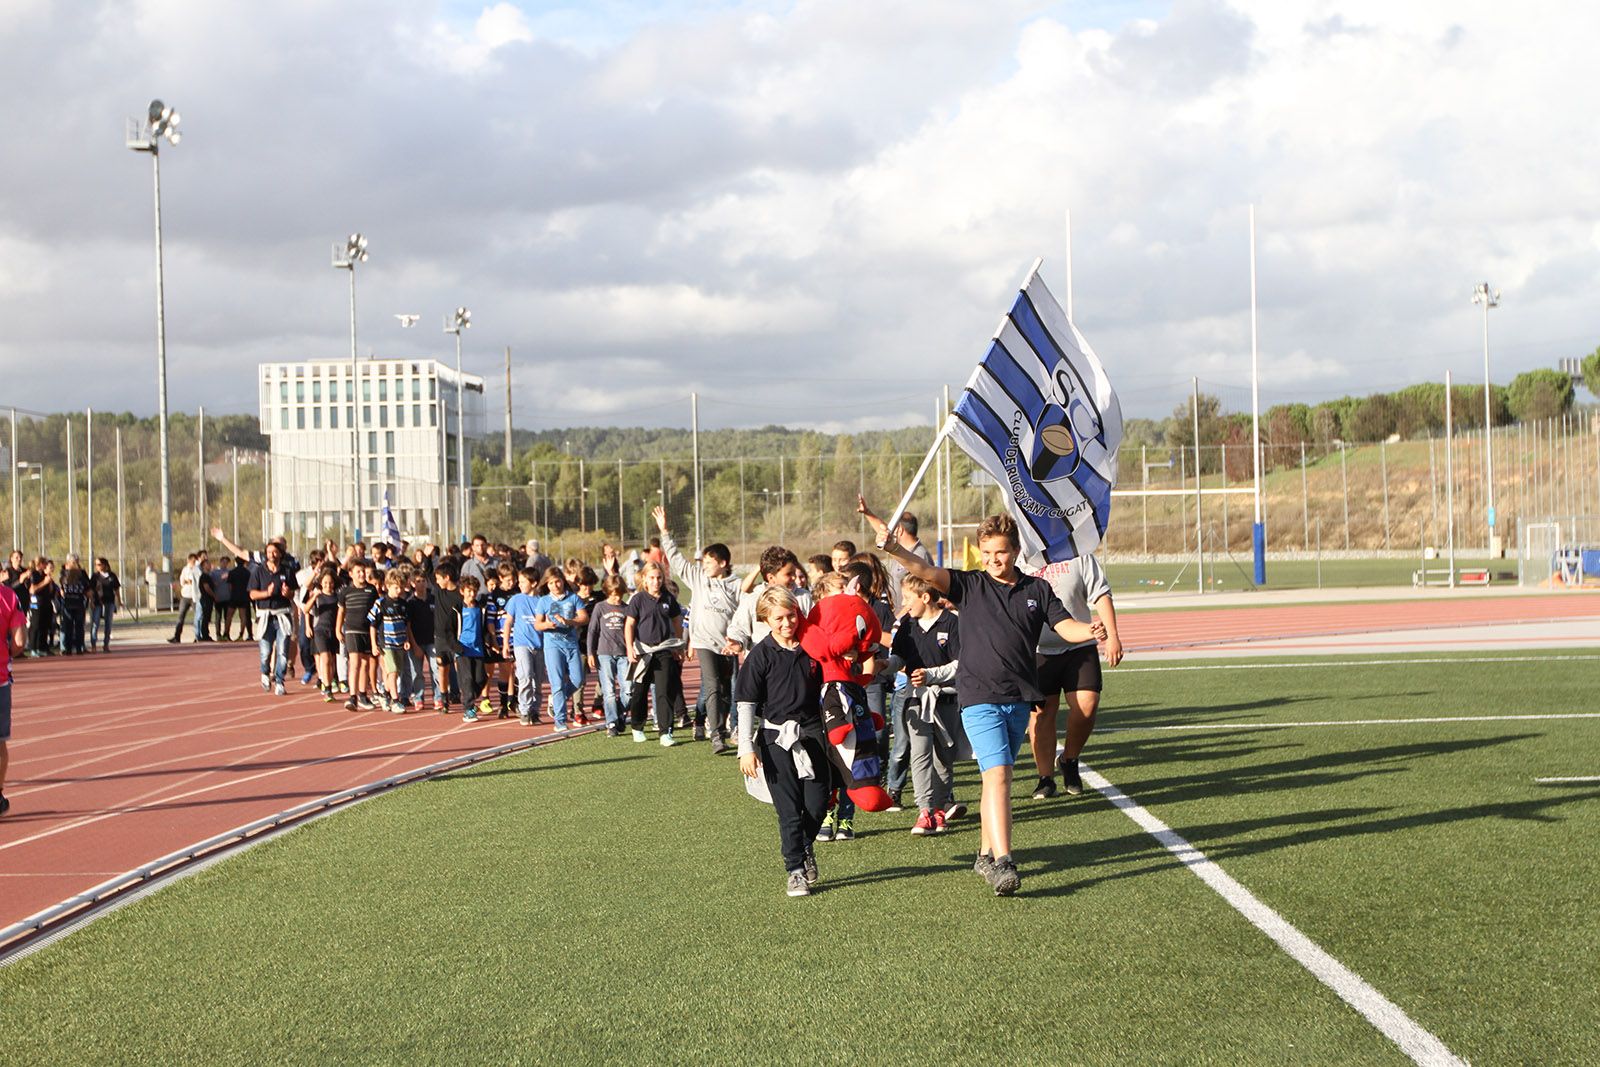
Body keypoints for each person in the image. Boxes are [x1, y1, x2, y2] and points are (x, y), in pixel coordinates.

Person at [862, 497, 1105, 897]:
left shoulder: (1036, 589)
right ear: (981, 552)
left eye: (1003, 551)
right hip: (977, 695)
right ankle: (1004, 862)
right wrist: (895, 550)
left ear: (1016, 551)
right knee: (999, 776)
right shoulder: (969, 585)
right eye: (988, 552)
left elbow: (1065, 627)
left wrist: (1090, 631)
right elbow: (924, 570)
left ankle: (984, 853)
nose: (995, 559)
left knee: (999, 773)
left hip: (1019, 696)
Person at [736, 585, 826, 897]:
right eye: (779, 618)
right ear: (765, 619)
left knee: (817, 803)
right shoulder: (761, 654)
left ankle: (804, 847)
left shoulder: (812, 646)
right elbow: (746, 702)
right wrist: (746, 748)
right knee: (788, 808)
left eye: (791, 615)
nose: (787, 623)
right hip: (775, 737)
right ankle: (795, 870)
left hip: (813, 732)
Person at [1029, 556, 1124, 799]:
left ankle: (1069, 759)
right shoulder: (1022, 553)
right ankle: (1045, 778)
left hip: (1079, 644)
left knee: (1087, 706)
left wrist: (1112, 635)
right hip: (1038, 650)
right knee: (1042, 713)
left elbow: (1101, 593)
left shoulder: (1078, 552)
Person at [653, 506, 741, 752]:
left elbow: (745, 611)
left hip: (728, 645)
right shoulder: (698, 578)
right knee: (712, 685)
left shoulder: (735, 585)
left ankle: (720, 726)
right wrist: (664, 531)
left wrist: (740, 640)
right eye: (704, 562)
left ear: (723, 563)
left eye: (710, 562)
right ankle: (716, 736)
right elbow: (677, 559)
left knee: (726, 688)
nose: (705, 565)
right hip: (704, 643)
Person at [889, 574, 966, 835]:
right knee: (919, 753)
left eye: (908, 598)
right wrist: (882, 667)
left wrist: (932, 675)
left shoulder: (951, 622)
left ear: (925, 597)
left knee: (944, 758)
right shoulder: (906, 625)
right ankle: (925, 811)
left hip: (946, 698)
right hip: (916, 699)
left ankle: (940, 809)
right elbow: (897, 658)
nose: (904, 603)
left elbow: (960, 663)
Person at [624, 561, 685, 746]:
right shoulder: (638, 599)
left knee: (664, 690)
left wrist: (678, 646)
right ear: (644, 579)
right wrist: (629, 648)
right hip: (643, 651)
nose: (656, 581)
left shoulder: (668, 599)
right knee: (640, 691)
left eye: (659, 578)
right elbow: (630, 625)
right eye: (652, 578)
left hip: (664, 650)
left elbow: (677, 622)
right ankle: (637, 726)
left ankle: (665, 732)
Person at [724, 547, 813, 659]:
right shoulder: (753, 600)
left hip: (797, 660)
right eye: (789, 574)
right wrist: (737, 642)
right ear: (771, 577)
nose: (794, 578)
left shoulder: (804, 597)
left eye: (794, 573)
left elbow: (814, 626)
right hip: (765, 662)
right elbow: (739, 628)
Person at [536, 566, 589, 729]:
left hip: (571, 644)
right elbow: (537, 624)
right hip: (552, 646)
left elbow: (584, 618)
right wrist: (547, 624)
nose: (554, 586)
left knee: (578, 679)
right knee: (557, 683)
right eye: (550, 583)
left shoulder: (573, 598)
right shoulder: (544, 601)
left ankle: (557, 699)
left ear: (563, 581)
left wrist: (569, 622)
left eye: (557, 582)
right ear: (546, 584)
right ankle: (560, 721)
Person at [248, 542, 298, 696]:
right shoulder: (258, 571)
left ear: (280, 554)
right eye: (269, 552)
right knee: (266, 652)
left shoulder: (287, 571)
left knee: (283, 651)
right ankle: (265, 673)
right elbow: (252, 594)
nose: (272, 555)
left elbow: (292, 593)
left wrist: (287, 593)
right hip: (265, 615)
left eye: (275, 552)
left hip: (282, 614)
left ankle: (280, 681)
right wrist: (266, 593)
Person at [587, 575, 631, 735]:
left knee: (628, 691)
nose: (617, 597)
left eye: (619, 594)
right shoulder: (600, 607)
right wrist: (590, 652)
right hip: (604, 653)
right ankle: (611, 723)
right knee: (609, 691)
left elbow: (632, 631)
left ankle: (618, 712)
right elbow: (592, 630)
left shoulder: (627, 608)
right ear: (607, 592)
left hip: (624, 654)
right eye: (613, 594)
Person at [501, 567, 545, 727]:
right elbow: (508, 622)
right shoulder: (516, 600)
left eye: (522, 582)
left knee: (538, 680)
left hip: (539, 646)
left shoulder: (542, 601)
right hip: (521, 644)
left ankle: (535, 710)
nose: (519, 585)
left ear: (533, 583)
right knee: (525, 676)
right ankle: (524, 710)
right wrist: (506, 644)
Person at [368, 571, 417, 714]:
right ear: (387, 586)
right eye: (396, 587)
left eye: (401, 587)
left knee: (396, 672)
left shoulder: (403, 604)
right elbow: (372, 625)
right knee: (393, 670)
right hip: (386, 643)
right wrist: (373, 644)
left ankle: (386, 694)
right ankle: (396, 701)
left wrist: (407, 639)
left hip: (400, 643)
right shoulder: (381, 603)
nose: (399, 590)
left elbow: (406, 624)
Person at [336, 560, 378, 711]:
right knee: (355, 663)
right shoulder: (345, 592)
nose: (361, 574)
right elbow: (341, 612)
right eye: (358, 572)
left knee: (366, 664)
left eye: (363, 571)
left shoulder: (371, 590)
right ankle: (352, 696)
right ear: (351, 574)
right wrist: (337, 629)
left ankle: (362, 695)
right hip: (352, 630)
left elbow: (376, 610)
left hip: (367, 630)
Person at [0, 576, 26, 817]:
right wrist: (8, 652)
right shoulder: (8, 597)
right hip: (0, 678)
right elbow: (19, 641)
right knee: (0, 742)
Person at [454, 574, 489, 722]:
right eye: (468, 591)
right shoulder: (457, 608)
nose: (472, 594)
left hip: (478, 649)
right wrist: (455, 646)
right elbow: (452, 627)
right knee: (467, 678)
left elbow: (484, 627)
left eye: (474, 591)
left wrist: (488, 642)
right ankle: (468, 709)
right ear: (462, 591)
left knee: (481, 678)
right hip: (463, 649)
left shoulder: (481, 607)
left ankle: (469, 697)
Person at [430, 561, 463, 714]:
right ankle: (444, 700)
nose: (436, 581)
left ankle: (467, 699)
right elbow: (428, 573)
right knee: (442, 669)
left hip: (456, 639)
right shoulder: (438, 591)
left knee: (460, 669)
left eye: (439, 578)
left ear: (447, 577)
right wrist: (427, 557)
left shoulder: (459, 595)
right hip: (440, 639)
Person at [305, 568, 341, 702]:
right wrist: (314, 596)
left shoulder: (338, 597)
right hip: (320, 630)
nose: (328, 585)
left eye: (330, 582)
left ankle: (329, 684)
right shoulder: (318, 597)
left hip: (333, 631)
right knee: (325, 658)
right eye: (325, 582)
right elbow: (306, 610)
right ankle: (327, 688)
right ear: (321, 583)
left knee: (331, 661)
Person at [58, 556, 90, 655]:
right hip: (73, 603)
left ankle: (74, 648)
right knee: (74, 626)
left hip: (75, 603)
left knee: (73, 627)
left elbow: (87, 587)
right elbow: (62, 587)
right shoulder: (65, 575)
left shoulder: (80, 574)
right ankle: (74, 648)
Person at [89, 557, 121, 652]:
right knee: (95, 624)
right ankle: (93, 645)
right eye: (96, 564)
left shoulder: (112, 576)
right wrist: (91, 601)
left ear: (104, 565)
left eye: (99, 564)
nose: (97, 566)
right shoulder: (95, 576)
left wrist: (119, 600)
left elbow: (116, 589)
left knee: (108, 623)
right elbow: (91, 590)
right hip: (97, 602)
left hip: (109, 602)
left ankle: (106, 644)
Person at [26, 559, 56, 657]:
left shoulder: (45, 575)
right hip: (36, 604)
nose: (46, 566)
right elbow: (32, 590)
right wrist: (44, 582)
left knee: (45, 626)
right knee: (36, 626)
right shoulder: (34, 574)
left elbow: (51, 591)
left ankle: (42, 647)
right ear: (40, 564)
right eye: (45, 564)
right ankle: (33, 648)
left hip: (46, 603)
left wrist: (49, 581)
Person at [169, 553, 199, 644]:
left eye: (195, 561)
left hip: (195, 596)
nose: (194, 562)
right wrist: (188, 581)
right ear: (189, 560)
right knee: (180, 617)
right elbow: (182, 582)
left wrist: (190, 581)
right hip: (185, 596)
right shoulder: (185, 569)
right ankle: (177, 637)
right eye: (192, 561)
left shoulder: (197, 569)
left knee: (197, 617)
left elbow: (195, 581)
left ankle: (197, 637)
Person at [227, 554, 253, 640]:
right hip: (244, 596)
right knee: (243, 616)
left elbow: (230, 586)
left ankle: (226, 633)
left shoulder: (232, 572)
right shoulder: (247, 573)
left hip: (234, 595)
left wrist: (232, 593)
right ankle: (241, 634)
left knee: (229, 615)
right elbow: (250, 585)